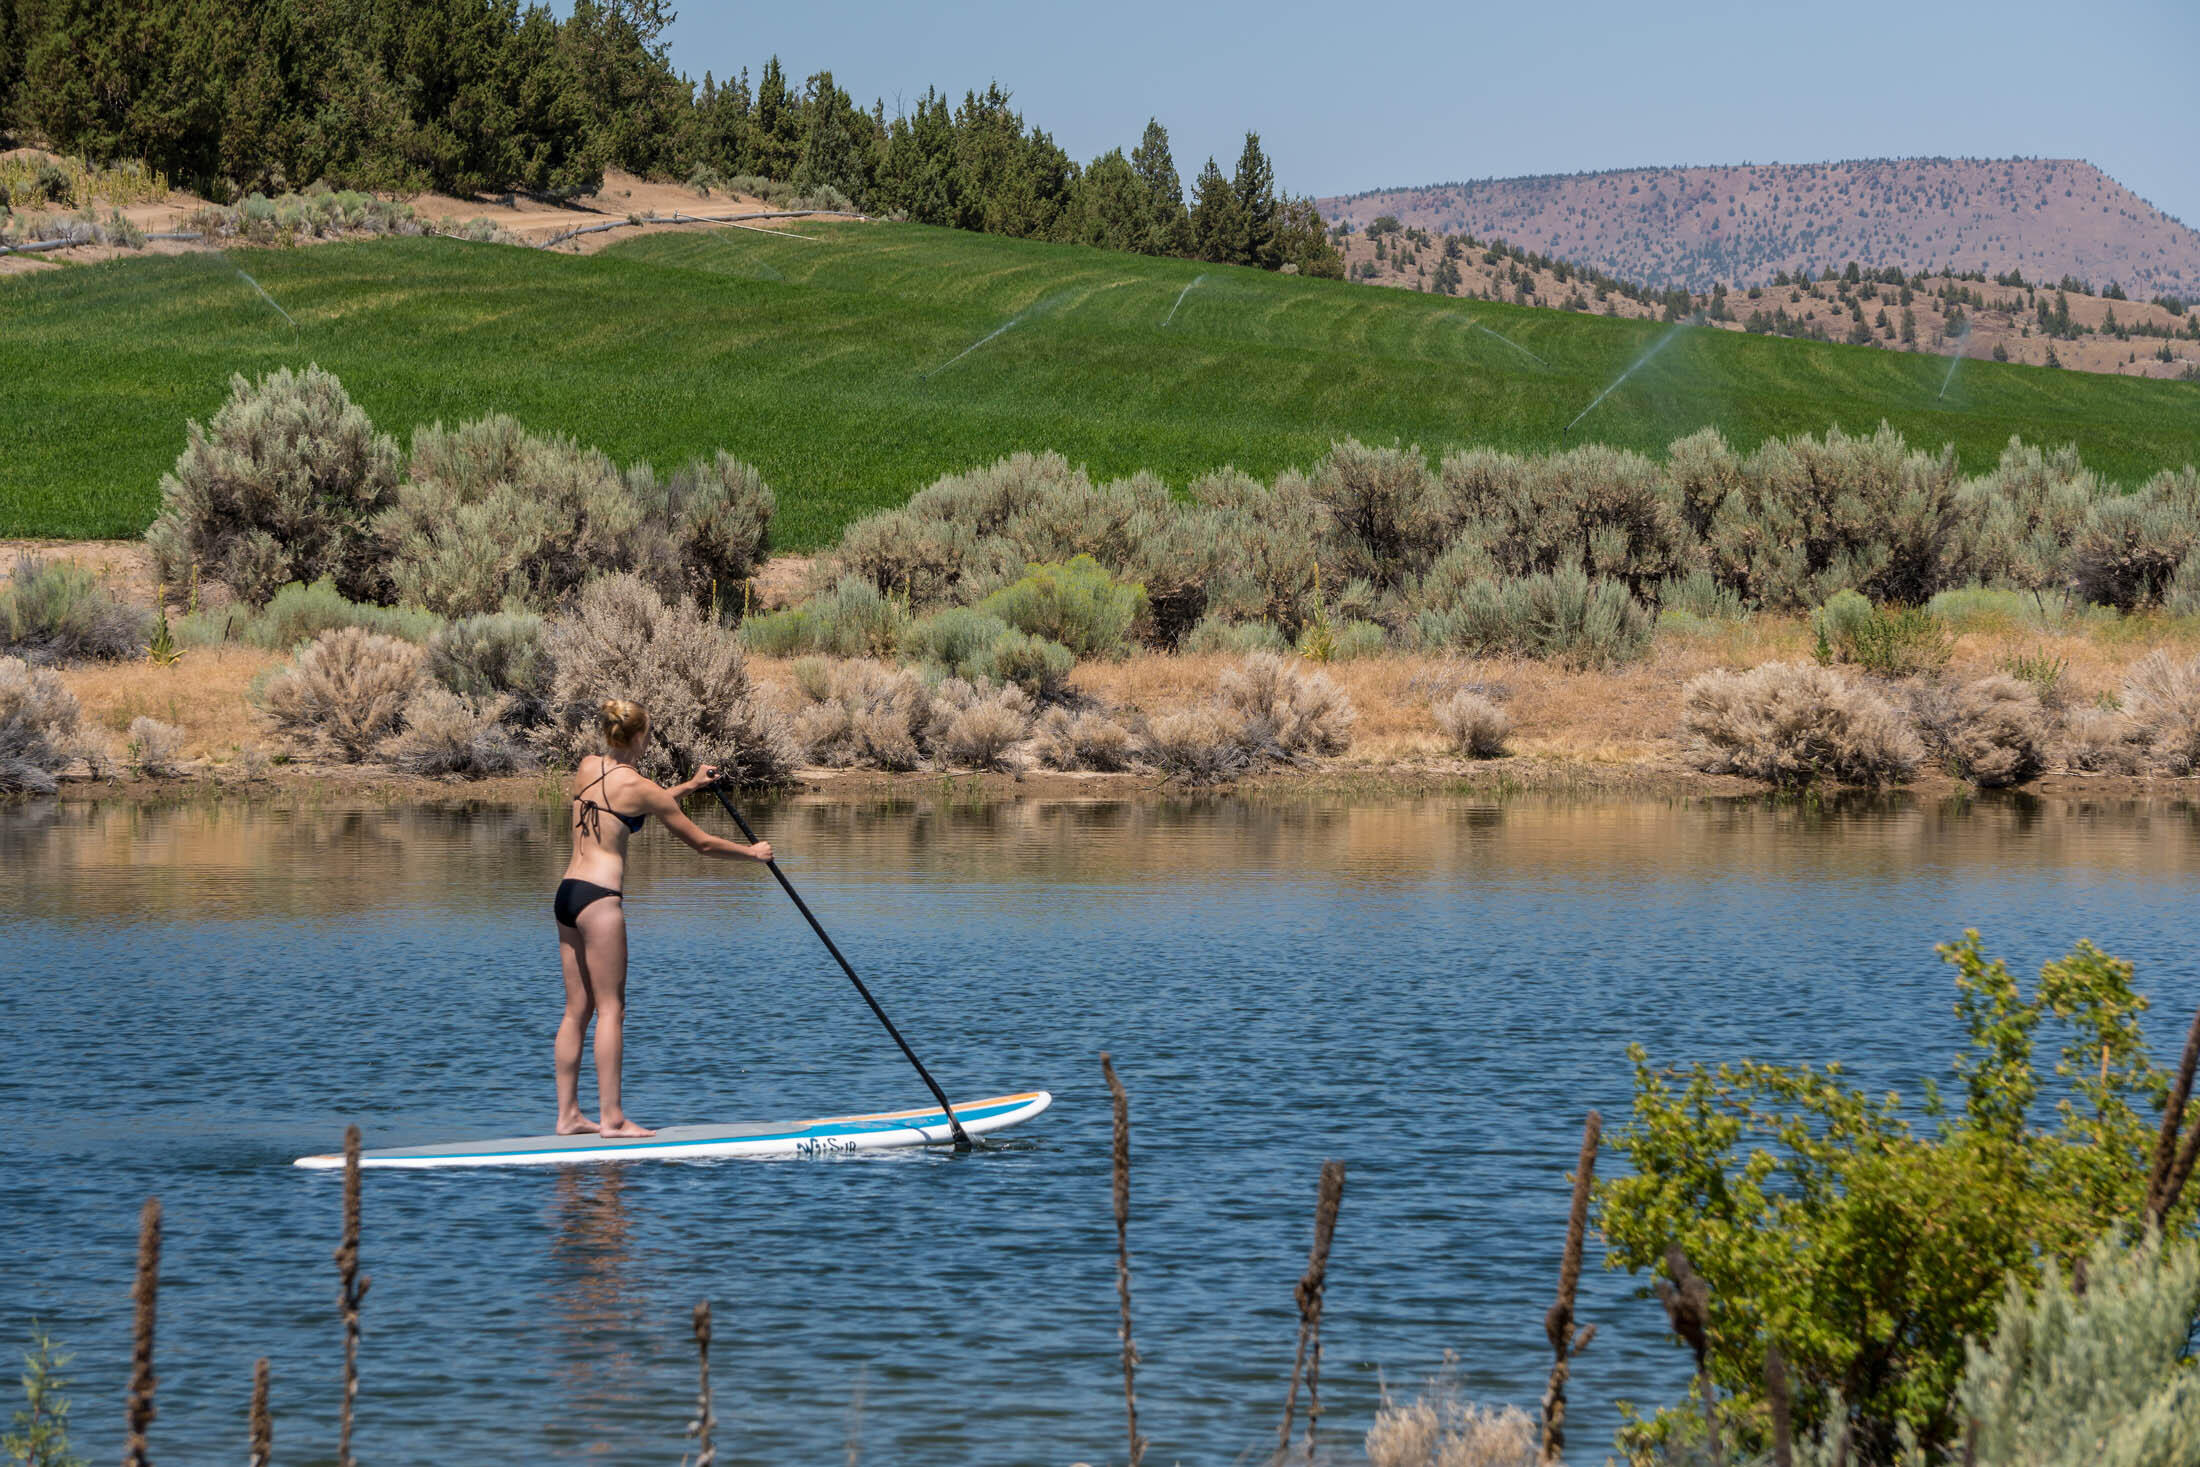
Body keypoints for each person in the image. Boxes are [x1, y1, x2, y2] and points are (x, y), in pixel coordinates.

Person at [553, 699, 772, 1137]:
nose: (649, 740)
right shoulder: (639, 785)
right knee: (612, 1010)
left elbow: (636, 806)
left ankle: (568, 1117)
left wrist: (690, 786)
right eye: (648, 734)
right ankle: (612, 1119)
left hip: (567, 895)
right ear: (638, 738)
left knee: (578, 1010)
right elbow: (702, 843)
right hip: (600, 901)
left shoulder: (587, 766)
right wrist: (751, 853)